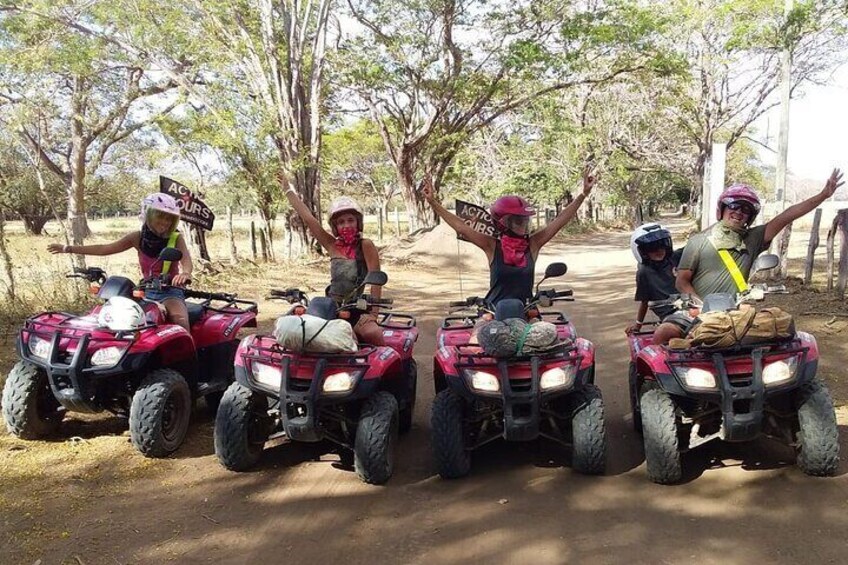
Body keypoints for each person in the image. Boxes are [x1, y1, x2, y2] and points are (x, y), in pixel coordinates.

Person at [422, 169, 598, 306]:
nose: (523, 225)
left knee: (551, 343)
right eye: (517, 221)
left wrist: (583, 195)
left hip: (527, 312)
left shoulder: (533, 244)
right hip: (493, 312)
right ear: (502, 222)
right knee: (475, 344)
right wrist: (433, 203)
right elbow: (461, 226)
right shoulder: (491, 245)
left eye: (524, 220)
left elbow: (559, 220)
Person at [48, 193, 193, 331]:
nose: (165, 222)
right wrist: (68, 248)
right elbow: (105, 248)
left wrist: (185, 273)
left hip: (170, 291)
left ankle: (188, 357)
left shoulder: (176, 237)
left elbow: (185, 258)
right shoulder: (137, 237)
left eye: (169, 219)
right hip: (144, 291)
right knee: (120, 321)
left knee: (179, 320)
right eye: (160, 217)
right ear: (148, 215)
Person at [284, 188, 384, 345]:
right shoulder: (331, 244)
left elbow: (376, 280)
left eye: (350, 220)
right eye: (341, 222)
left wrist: (373, 314)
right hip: (330, 307)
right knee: (303, 334)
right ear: (335, 226)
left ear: (358, 222)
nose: (346, 225)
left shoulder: (366, 245)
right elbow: (309, 219)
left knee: (373, 333)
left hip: (356, 308)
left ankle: (382, 368)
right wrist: (287, 190)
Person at [625, 223, 693, 345]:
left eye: (662, 246)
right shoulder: (644, 272)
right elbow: (644, 301)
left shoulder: (675, 258)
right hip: (671, 317)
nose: (659, 251)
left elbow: (694, 246)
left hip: (693, 307)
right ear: (642, 251)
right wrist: (638, 325)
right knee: (664, 333)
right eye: (652, 248)